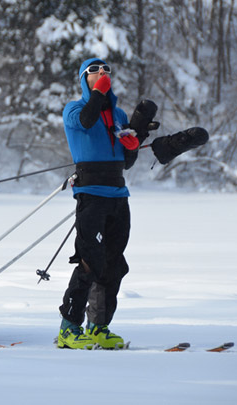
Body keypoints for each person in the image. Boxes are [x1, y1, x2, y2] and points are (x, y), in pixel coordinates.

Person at [57, 57, 157, 350]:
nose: (102, 73)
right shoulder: (73, 109)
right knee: (90, 261)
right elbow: (88, 120)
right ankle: (69, 328)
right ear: (82, 78)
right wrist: (99, 94)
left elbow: (126, 161)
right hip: (91, 194)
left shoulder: (119, 115)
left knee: (113, 263)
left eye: (106, 70)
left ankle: (99, 327)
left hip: (118, 195)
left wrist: (135, 139)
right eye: (94, 70)